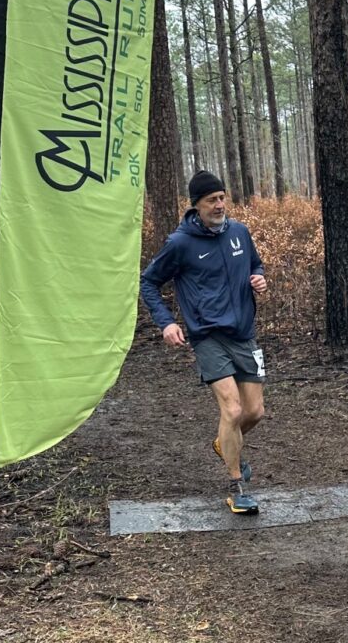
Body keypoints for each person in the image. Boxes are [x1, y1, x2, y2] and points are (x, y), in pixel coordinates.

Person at [140, 170, 268, 515]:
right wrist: (166, 323)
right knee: (232, 409)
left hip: (243, 333)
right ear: (195, 205)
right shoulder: (181, 243)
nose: (220, 205)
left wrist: (259, 277)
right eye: (212, 200)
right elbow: (148, 283)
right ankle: (236, 486)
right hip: (207, 335)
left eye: (223, 197)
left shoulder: (240, 232)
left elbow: (255, 263)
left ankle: (224, 443)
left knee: (254, 411)